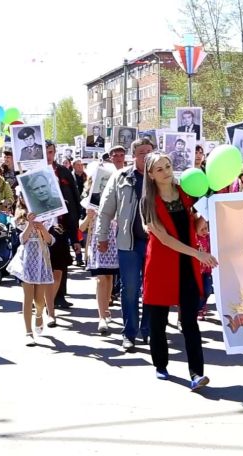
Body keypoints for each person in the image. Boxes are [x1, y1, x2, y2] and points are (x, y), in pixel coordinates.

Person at [139, 152, 218, 390]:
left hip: (187, 265)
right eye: (160, 169)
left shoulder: (185, 192)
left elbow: (192, 221)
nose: (166, 171)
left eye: (168, 166)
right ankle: (160, 364)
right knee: (158, 322)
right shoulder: (148, 202)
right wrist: (198, 253)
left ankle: (197, 373)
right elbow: (164, 239)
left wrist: (200, 223)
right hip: (162, 266)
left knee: (190, 321)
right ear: (151, 175)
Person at [98, 138, 154, 350]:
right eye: (142, 152)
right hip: (128, 242)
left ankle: (148, 329)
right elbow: (105, 210)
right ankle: (129, 333)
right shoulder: (120, 177)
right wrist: (101, 236)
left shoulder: (160, 175)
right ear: (133, 156)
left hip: (155, 243)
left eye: (149, 151)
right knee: (130, 289)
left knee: (151, 289)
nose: (146, 156)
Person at [7, 194, 55, 346]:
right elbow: (22, 239)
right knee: (28, 297)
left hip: (41, 259)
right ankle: (28, 332)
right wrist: (30, 223)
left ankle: (40, 314)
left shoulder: (47, 217)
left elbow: (50, 241)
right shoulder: (20, 218)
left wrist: (41, 227)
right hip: (26, 260)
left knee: (39, 299)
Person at [46, 141, 82, 309]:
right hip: (41, 226)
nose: (48, 155)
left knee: (61, 263)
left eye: (51, 151)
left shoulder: (63, 171)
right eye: (45, 151)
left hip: (61, 225)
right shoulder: (32, 172)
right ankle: (40, 297)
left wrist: (74, 228)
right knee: (43, 263)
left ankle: (59, 296)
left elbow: (74, 197)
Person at [80, 205, 119, 334]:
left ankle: (106, 309)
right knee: (101, 278)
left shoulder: (116, 194)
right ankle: (101, 317)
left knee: (109, 278)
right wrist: (88, 216)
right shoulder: (90, 200)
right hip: (97, 243)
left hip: (113, 242)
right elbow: (81, 228)